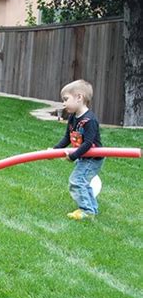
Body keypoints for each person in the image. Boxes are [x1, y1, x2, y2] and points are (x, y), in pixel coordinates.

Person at [53, 79, 104, 221]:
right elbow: (67, 138)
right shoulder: (72, 118)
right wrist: (54, 150)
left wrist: (73, 156)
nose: (63, 103)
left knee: (77, 181)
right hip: (84, 157)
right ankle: (92, 209)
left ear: (79, 97)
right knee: (82, 182)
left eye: (66, 99)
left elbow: (88, 143)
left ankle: (86, 211)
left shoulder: (90, 120)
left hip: (93, 159)